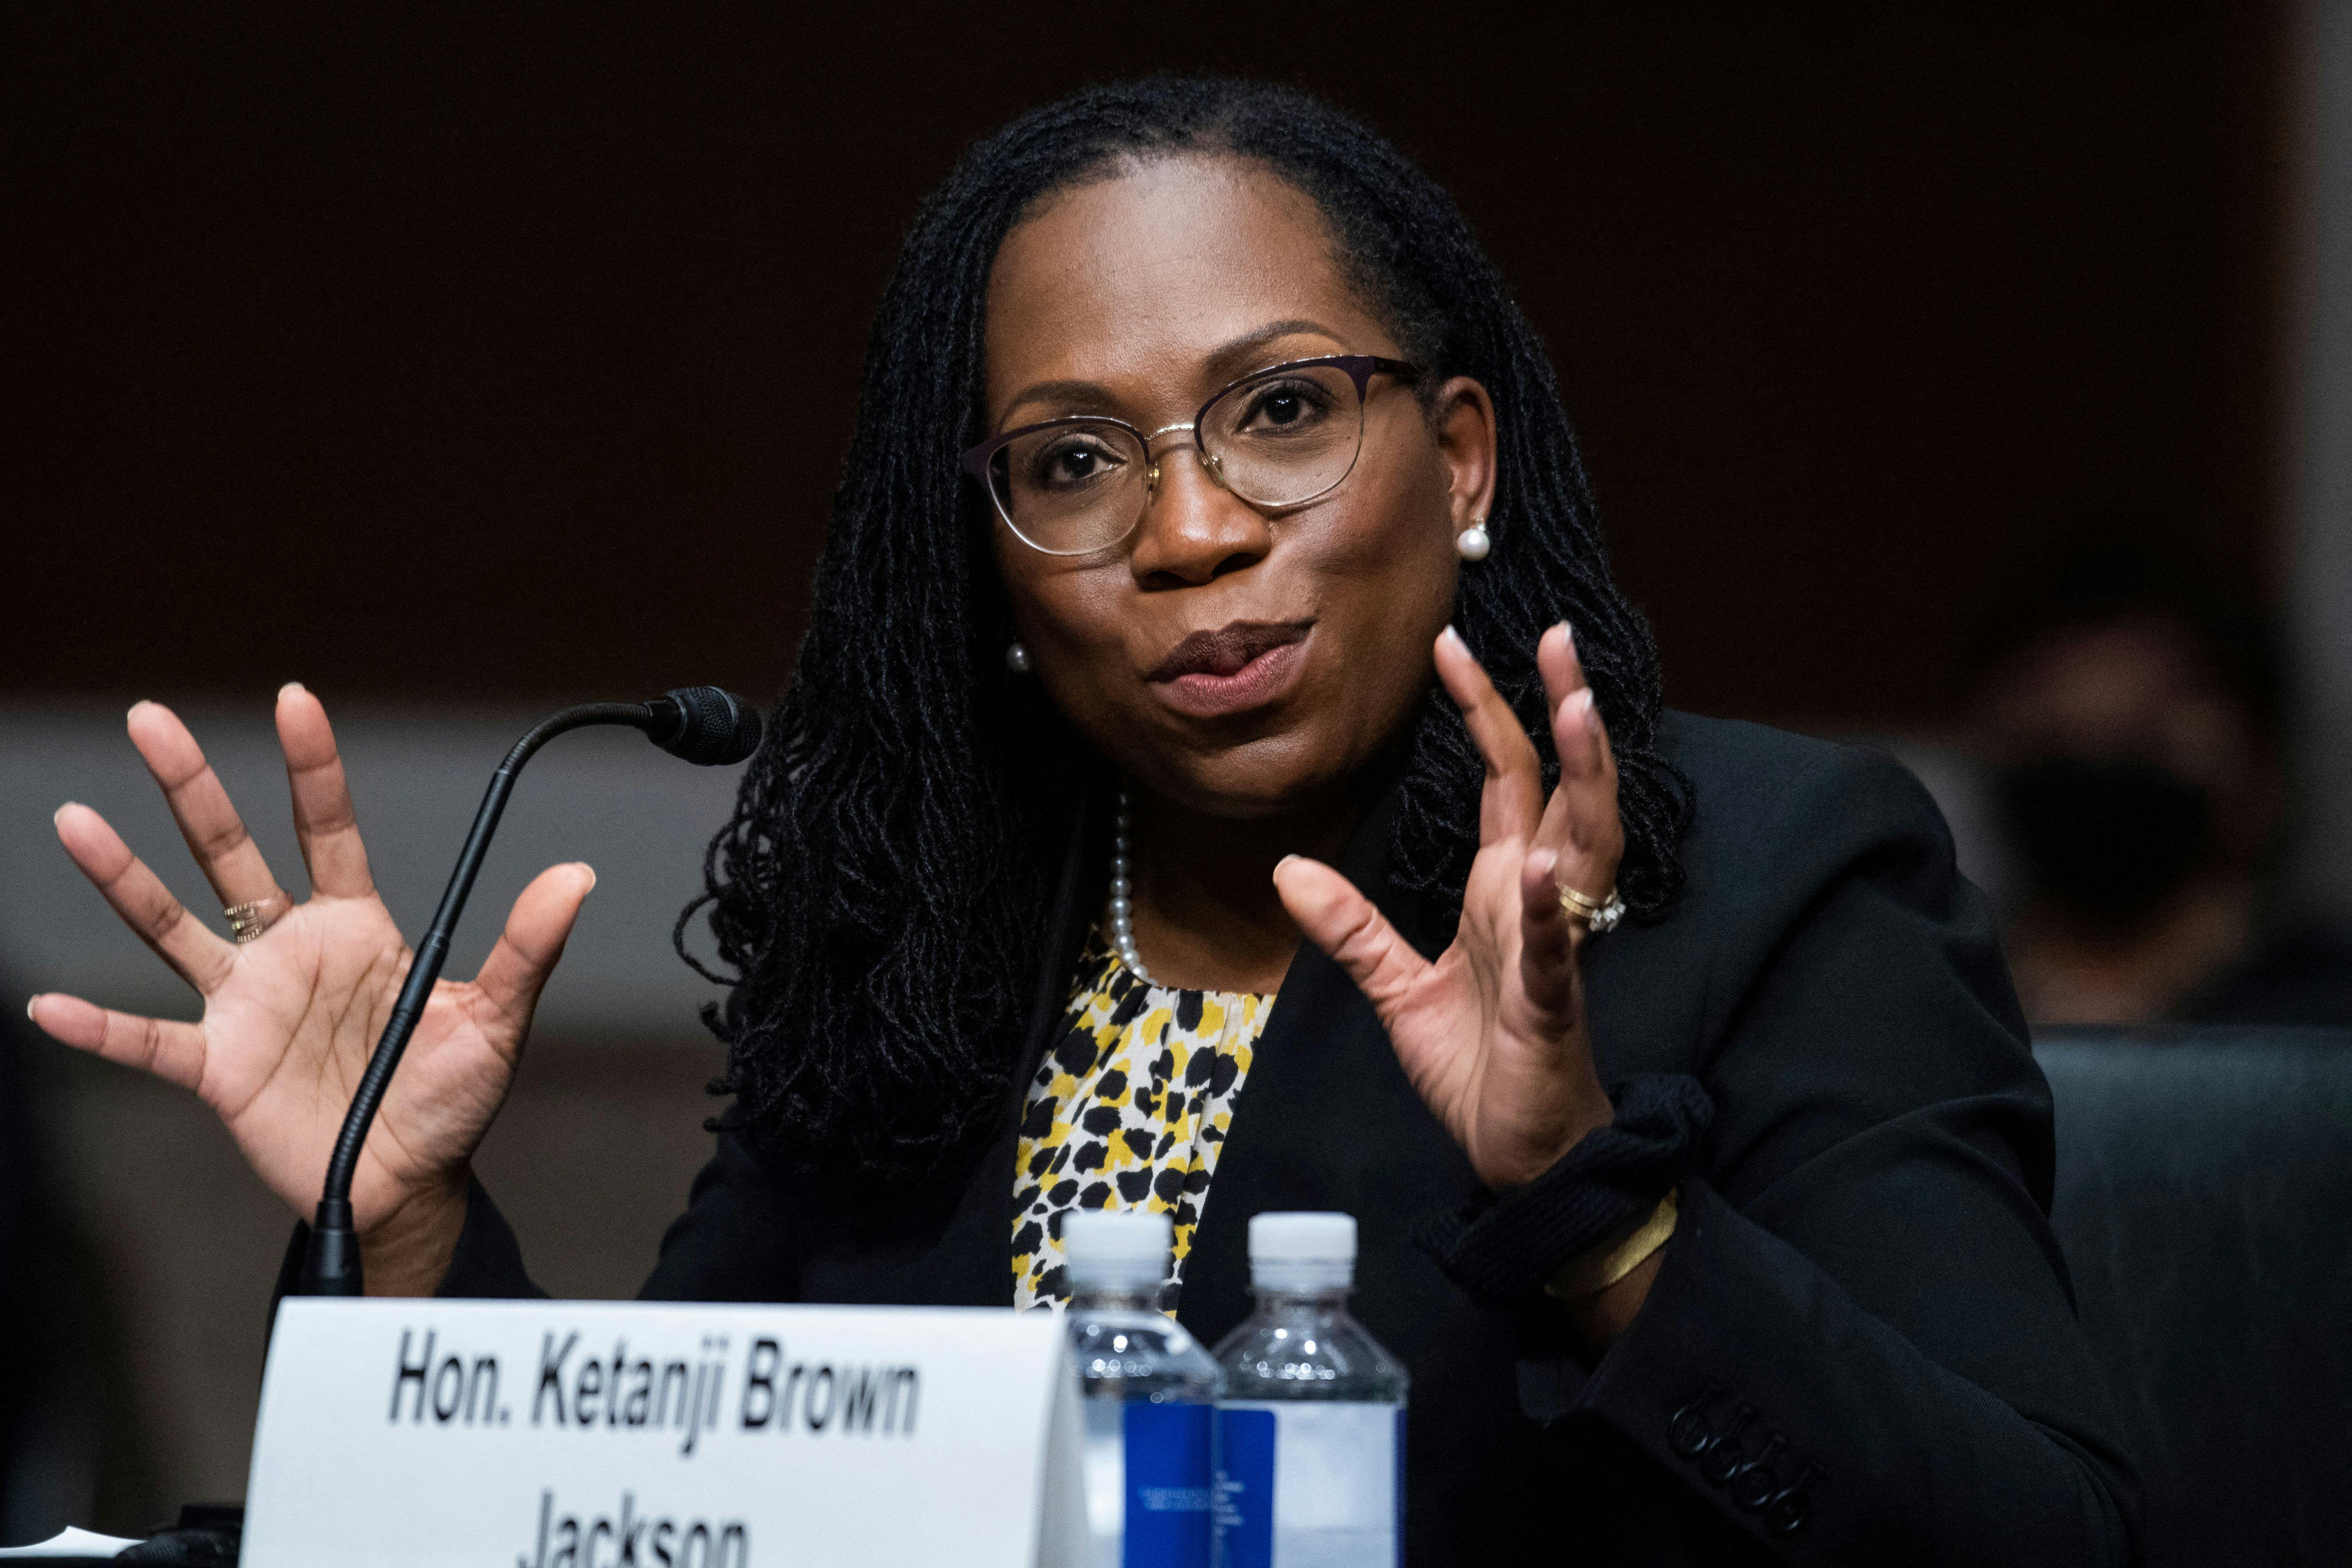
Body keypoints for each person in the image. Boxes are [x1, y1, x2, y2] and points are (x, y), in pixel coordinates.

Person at [26, 78, 2138, 1562]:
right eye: (1070, 459)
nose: (1195, 529)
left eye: (1285, 411)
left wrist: (1597, 1210)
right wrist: (397, 1234)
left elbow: (2046, 1537)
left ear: (1464, 458)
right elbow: (682, 1508)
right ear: (995, 560)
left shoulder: (1754, 882)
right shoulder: (937, 933)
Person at [1963, 541, 2352, 1026]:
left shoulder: (2327, 1026)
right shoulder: (1930, 1007)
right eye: (2055, 739)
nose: (2098, 771)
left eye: (2146, 740)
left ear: (2264, 772)